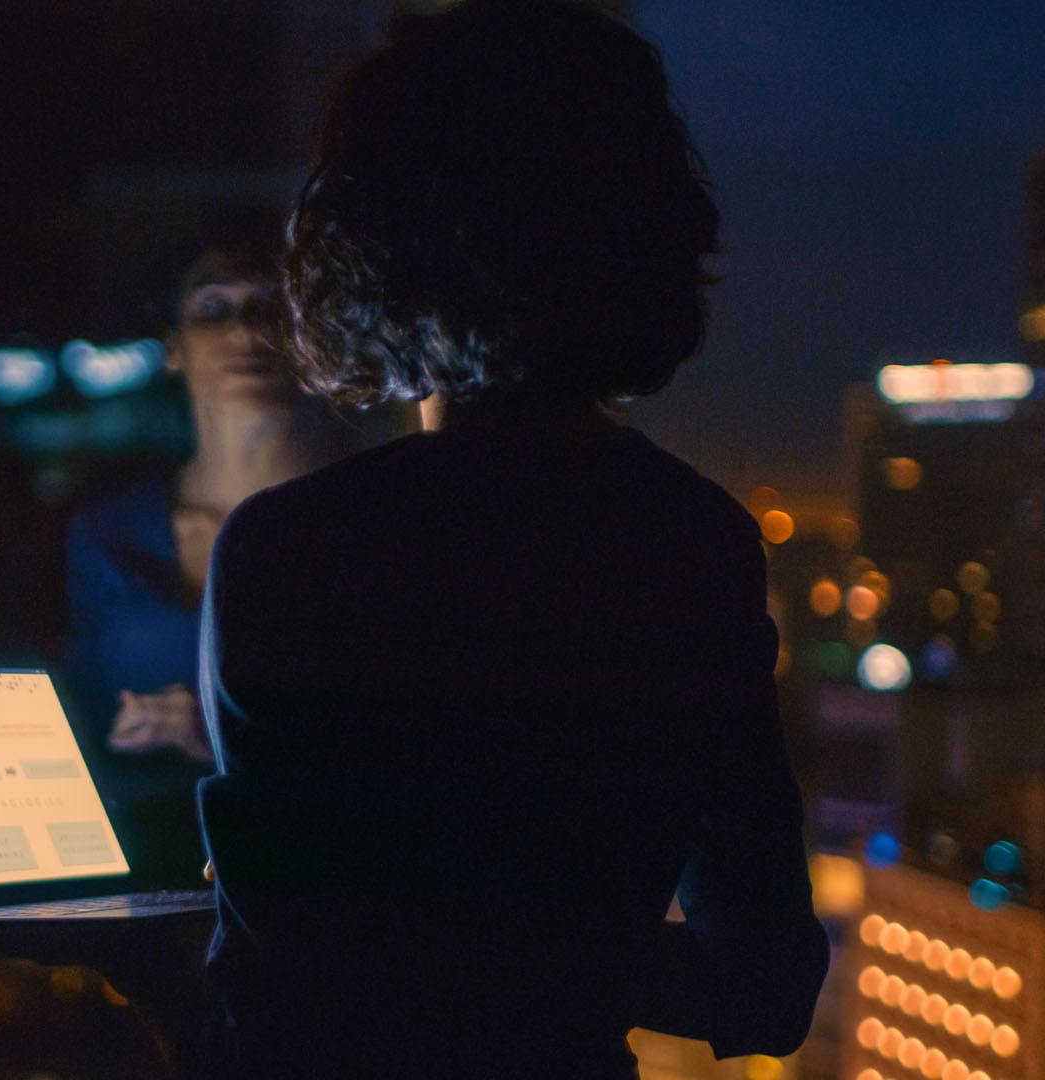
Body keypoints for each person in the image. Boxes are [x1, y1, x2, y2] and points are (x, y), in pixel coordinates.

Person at [193, 3, 830, 1076]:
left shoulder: (292, 551)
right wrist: (567, 961)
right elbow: (766, 984)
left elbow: (284, 980)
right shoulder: (694, 543)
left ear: (369, 244)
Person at [64, 213, 363, 887]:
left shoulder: (363, 520)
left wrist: (228, 740)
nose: (243, 330)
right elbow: (82, 710)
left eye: (268, 308)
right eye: (212, 308)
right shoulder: (108, 535)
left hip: (324, 878)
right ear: (173, 345)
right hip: (145, 871)